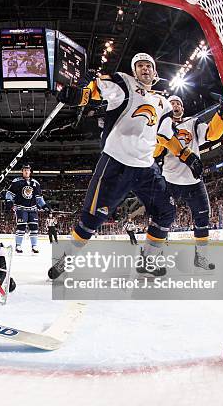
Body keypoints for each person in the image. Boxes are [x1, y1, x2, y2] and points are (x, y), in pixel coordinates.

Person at [49, 53, 203, 279]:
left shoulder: (164, 103)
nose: (144, 69)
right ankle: (66, 258)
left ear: (155, 72)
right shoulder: (124, 82)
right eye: (140, 66)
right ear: (134, 71)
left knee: (166, 212)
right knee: (91, 219)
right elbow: (95, 91)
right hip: (115, 162)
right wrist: (77, 94)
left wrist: (187, 155)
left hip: (146, 167)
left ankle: (148, 260)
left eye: (148, 65)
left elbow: (167, 136)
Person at [154, 94, 223, 271]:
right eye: (171, 103)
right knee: (162, 219)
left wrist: (221, 114)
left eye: (178, 103)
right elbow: (155, 153)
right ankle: (156, 258)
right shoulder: (160, 126)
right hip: (169, 181)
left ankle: (201, 257)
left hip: (193, 181)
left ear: (182, 108)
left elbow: (212, 134)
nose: (175, 106)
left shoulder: (193, 123)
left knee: (203, 218)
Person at [4, 164, 51, 253]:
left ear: (30, 171)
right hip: (21, 208)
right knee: (21, 227)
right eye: (25, 170)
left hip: (33, 209)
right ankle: (18, 246)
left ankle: (34, 246)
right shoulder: (16, 182)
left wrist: (45, 206)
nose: (26, 171)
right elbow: (9, 194)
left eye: (28, 170)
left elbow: (39, 198)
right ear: (22, 171)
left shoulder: (35, 183)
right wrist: (9, 202)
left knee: (34, 228)